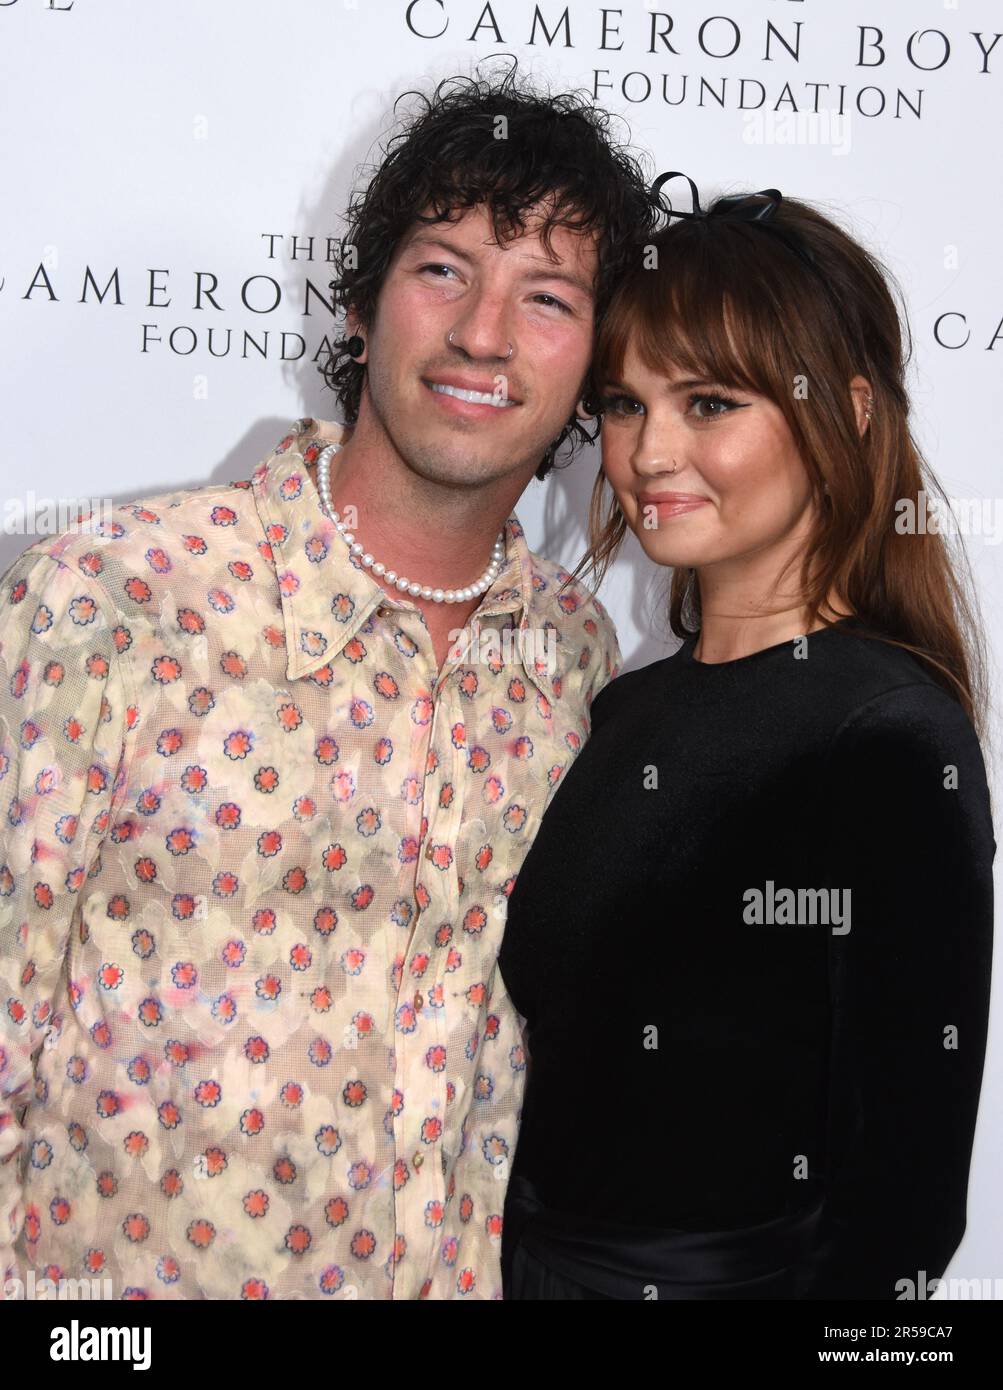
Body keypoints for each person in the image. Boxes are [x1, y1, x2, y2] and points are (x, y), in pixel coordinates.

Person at [0, 64, 658, 1300]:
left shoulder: (574, 660)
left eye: (548, 298)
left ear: (594, 365)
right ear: (362, 306)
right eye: (443, 268)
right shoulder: (117, 597)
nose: (482, 333)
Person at [497, 173, 997, 1300]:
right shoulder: (623, 709)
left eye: (710, 403)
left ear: (849, 412)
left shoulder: (884, 737)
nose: (650, 452)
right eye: (624, 404)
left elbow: (907, 1215)